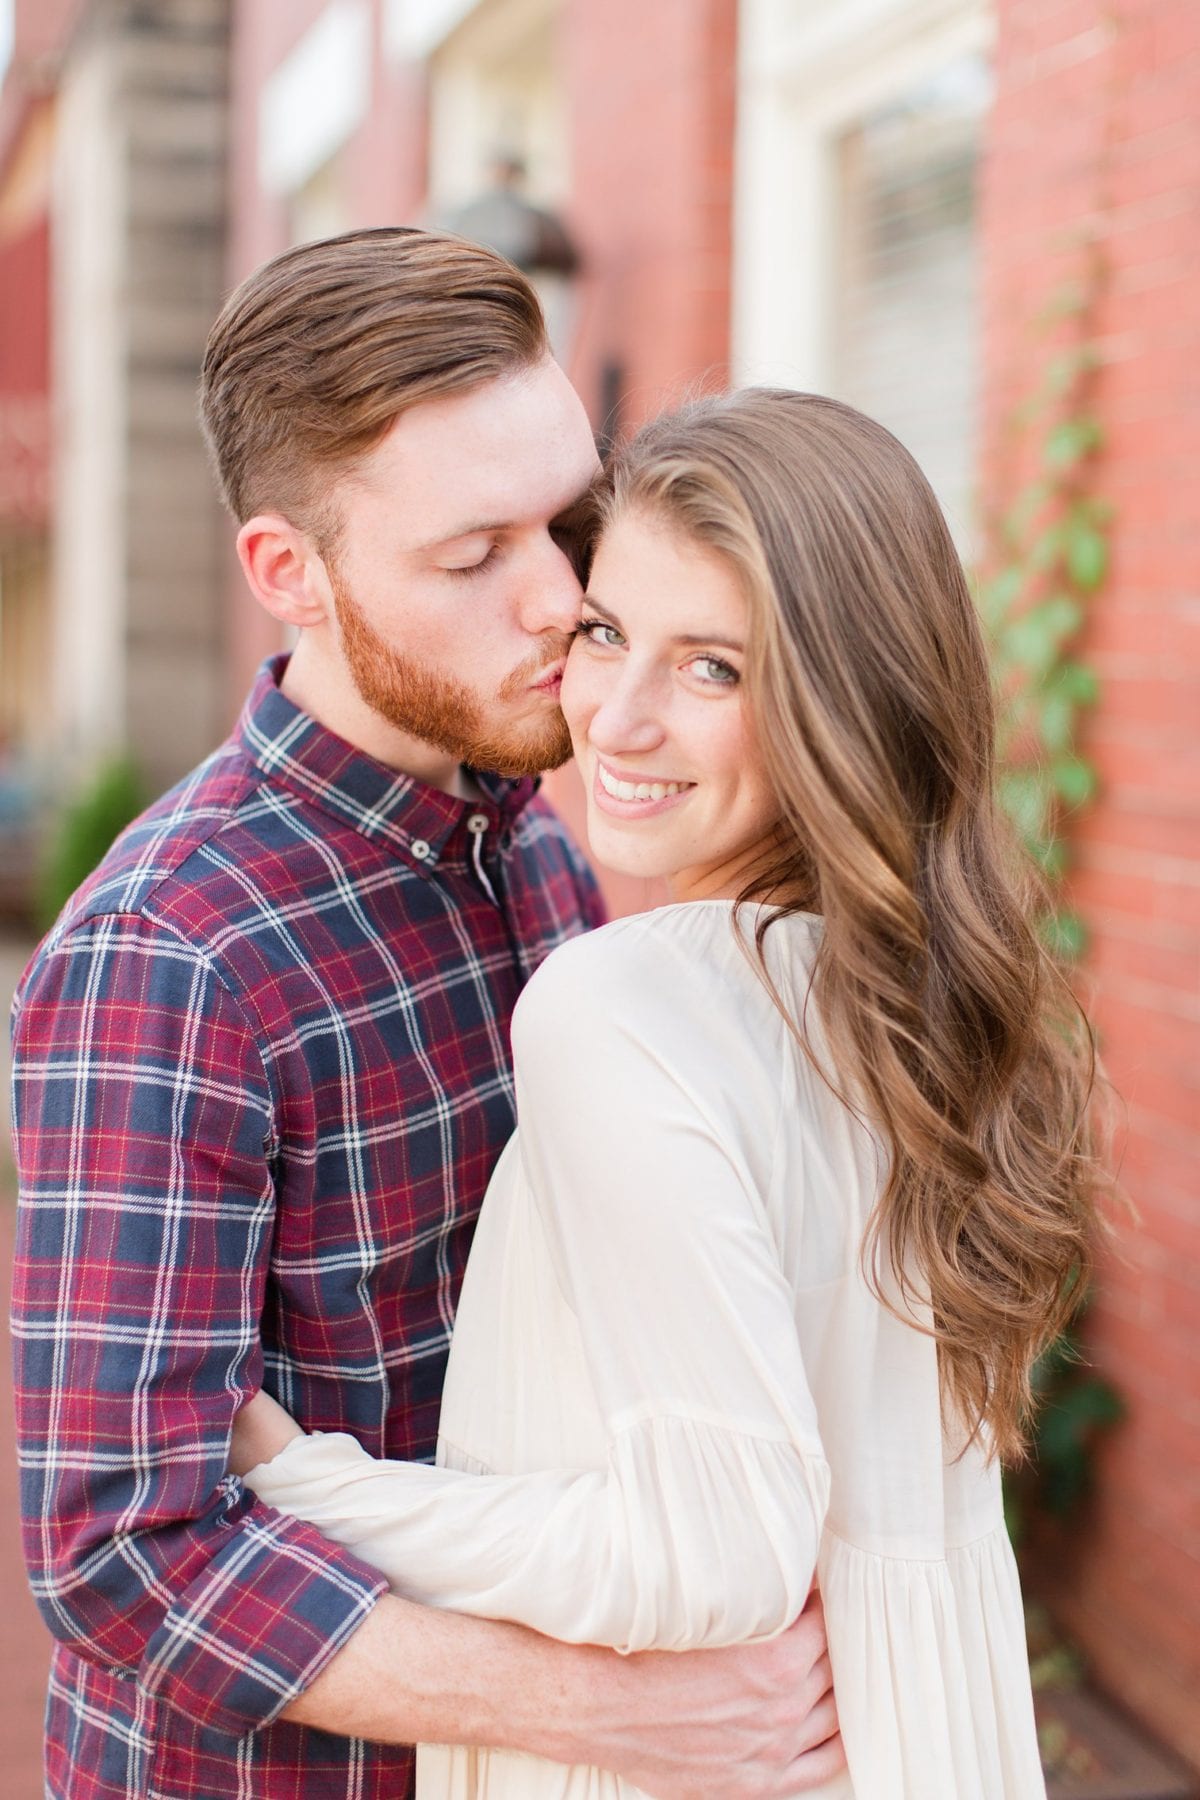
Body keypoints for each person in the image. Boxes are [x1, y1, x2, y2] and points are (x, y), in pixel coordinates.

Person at [8, 234, 840, 1800]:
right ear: (288, 573)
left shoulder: (535, 839)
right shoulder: (170, 956)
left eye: (571, 522)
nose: (561, 602)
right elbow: (120, 1547)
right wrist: (610, 1714)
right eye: (473, 558)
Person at [230, 389, 1106, 1799]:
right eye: (606, 633)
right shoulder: (907, 997)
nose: (618, 723)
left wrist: (320, 1484)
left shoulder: (621, 1003)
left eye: (713, 669)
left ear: (842, 699)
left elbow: (718, 1550)